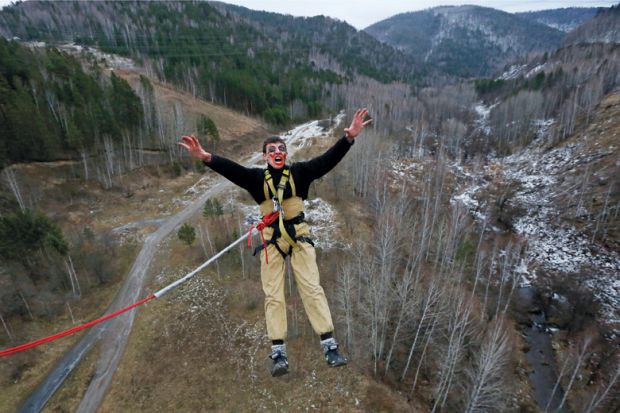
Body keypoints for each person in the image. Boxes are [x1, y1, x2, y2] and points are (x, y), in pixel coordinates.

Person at [178, 108, 372, 376]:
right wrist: (205, 157)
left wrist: (348, 139)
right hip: (272, 243)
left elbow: (326, 161)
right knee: (273, 296)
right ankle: (278, 351)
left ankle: (329, 344)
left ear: (286, 153)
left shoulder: (301, 173)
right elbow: (231, 170)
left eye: (281, 148)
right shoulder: (256, 180)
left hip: (298, 238)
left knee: (311, 287)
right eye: (272, 150)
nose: (278, 152)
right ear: (265, 156)